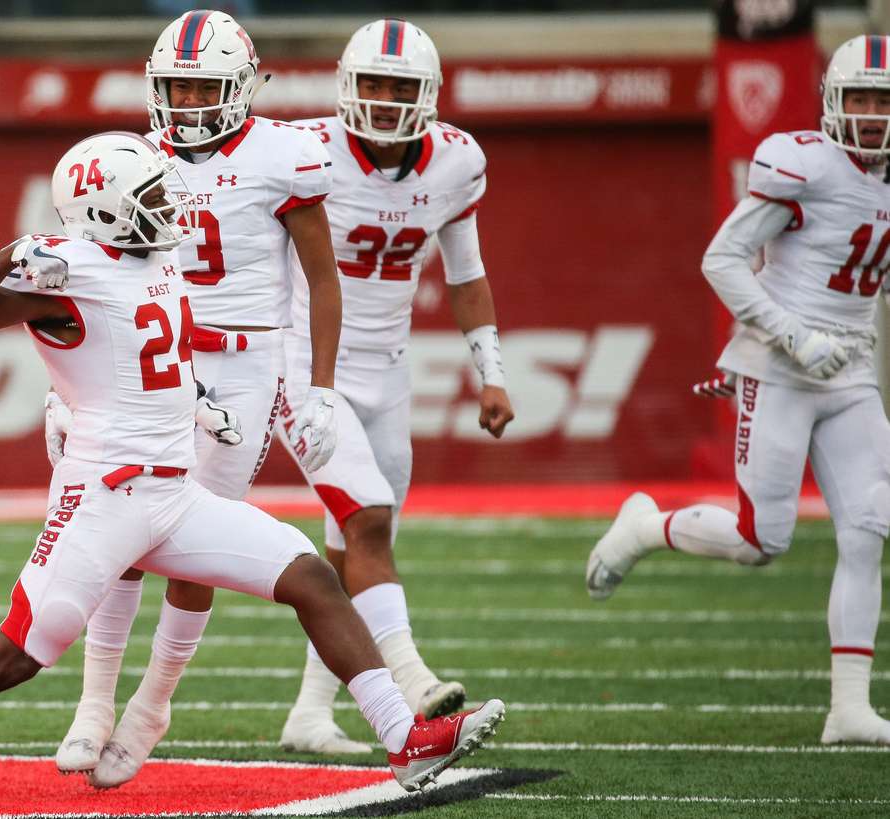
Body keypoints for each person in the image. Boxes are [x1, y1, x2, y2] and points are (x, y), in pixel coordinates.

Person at [0, 132, 506, 805]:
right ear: (110, 212)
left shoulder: (156, 259)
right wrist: (12, 252)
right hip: (103, 495)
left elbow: (147, 351)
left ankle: (404, 736)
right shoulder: (64, 273)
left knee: (312, 576)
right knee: (15, 656)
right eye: (156, 199)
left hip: (172, 490)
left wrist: (198, 405)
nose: (172, 210)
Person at [49, 9, 344, 785]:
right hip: (151, 359)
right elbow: (89, 277)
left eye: (203, 89)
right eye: (175, 89)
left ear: (242, 88)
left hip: (246, 364)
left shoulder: (286, 154)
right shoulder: (131, 155)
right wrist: (63, 391)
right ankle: (93, 701)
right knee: (123, 534)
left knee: (194, 550)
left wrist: (320, 388)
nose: (186, 105)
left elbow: (322, 277)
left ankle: (152, 705)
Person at [586, 35, 890, 745]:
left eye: (883, 100)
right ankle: (645, 526)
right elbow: (720, 259)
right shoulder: (804, 165)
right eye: (860, 99)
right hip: (782, 366)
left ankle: (849, 706)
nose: (872, 113)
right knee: (763, 541)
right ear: (832, 104)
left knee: (868, 531)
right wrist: (789, 335)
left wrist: (843, 342)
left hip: (850, 371)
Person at [267, 19, 516, 754]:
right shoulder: (302, 150)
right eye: (370, 82)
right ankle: (411, 683)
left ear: (429, 94)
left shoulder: (456, 163)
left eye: (398, 86)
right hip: (306, 361)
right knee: (368, 516)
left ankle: (311, 715)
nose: (381, 99)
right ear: (345, 84)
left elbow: (466, 273)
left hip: (389, 367)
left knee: (354, 542)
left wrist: (492, 374)